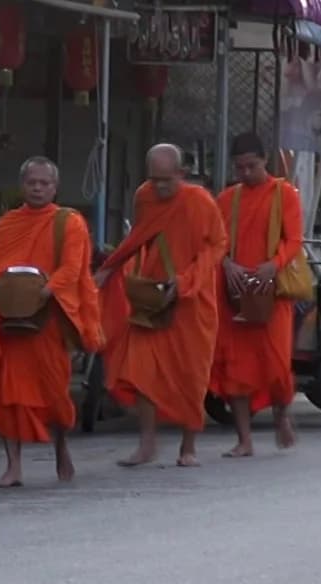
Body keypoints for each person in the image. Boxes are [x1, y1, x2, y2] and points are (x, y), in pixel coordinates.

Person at [0, 156, 104, 487]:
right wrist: (6, 293)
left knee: (54, 393)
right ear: (22, 185)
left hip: (48, 321)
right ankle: (13, 466)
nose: (37, 188)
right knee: (8, 394)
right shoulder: (7, 224)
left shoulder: (69, 222)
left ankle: (61, 447)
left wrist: (43, 293)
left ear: (55, 187)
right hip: (12, 322)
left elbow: (72, 269)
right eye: (31, 182)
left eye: (44, 183)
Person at [95, 143, 228, 467]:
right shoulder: (145, 196)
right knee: (140, 370)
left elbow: (218, 245)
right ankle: (147, 444)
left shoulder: (200, 202)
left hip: (192, 299)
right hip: (153, 296)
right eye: (154, 179)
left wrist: (183, 282)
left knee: (191, 376)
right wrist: (110, 267)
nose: (160, 187)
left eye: (166, 180)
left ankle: (188, 446)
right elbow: (140, 236)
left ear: (181, 174)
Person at [209, 133, 301, 455]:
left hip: (271, 291)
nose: (245, 173)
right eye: (240, 168)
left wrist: (273, 265)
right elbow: (214, 242)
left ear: (265, 161)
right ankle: (244, 440)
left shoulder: (283, 194)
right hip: (234, 291)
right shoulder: (226, 199)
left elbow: (294, 241)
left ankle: (282, 413)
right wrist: (227, 263)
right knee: (235, 368)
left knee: (276, 364)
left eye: (252, 166)